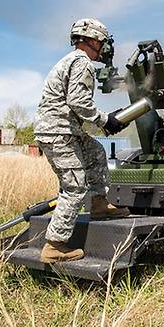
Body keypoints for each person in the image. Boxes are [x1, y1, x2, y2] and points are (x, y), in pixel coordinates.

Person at [34, 18, 130, 264]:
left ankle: (99, 203)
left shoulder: (71, 61)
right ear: (92, 40)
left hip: (65, 129)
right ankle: (55, 246)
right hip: (59, 132)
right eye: (103, 42)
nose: (105, 48)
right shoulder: (82, 63)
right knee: (74, 186)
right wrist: (105, 120)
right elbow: (78, 102)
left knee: (96, 152)